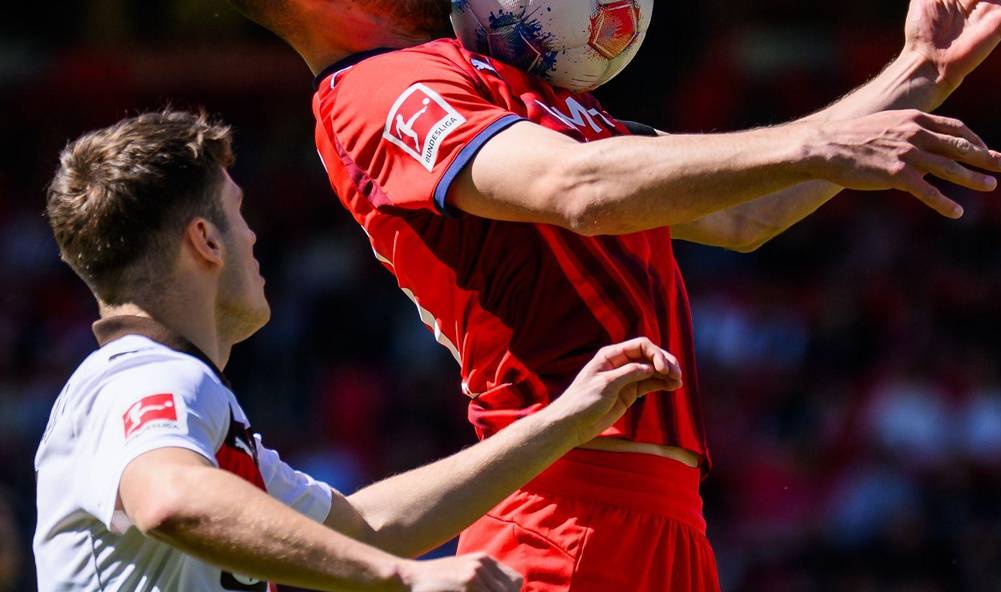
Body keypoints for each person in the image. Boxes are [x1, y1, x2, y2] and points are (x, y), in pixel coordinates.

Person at [187, 0, 1001, 590]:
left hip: (665, 519)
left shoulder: (497, 79)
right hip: (565, 513)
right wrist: (818, 142)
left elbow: (744, 215)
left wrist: (920, 74)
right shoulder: (375, 93)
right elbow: (579, 189)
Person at [34, 109, 682, 592]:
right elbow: (172, 498)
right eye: (239, 215)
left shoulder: (165, 394)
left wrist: (564, 420)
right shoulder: (147, 380)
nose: (254, 238)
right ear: (206, 240)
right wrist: (402, 579)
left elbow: (359, 528)